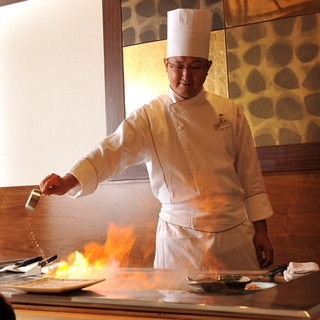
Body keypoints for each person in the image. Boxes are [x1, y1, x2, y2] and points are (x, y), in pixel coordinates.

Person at [40, 8, 274, 271]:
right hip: (181, 240)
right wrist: (67, 181)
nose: (186, 75)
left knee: (244, 309)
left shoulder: (231, 112)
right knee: (181, 310)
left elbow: (250, 176)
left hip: (234, 236)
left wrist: (261, 232)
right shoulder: (149, 116)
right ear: (166, 65)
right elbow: (110, 151)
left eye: (196, 66)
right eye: (178, 66)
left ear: (208, 68)